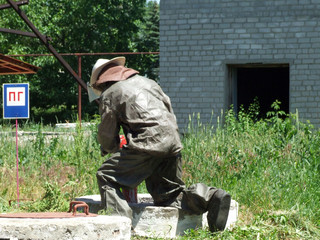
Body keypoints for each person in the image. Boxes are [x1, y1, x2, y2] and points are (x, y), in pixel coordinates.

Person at [90, 57, 231, 232]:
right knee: (169, 195)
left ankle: (120, 227)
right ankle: (210, 196)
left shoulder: (110, 93)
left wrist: (109, 147)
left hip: (146, 144)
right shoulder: (149, 83)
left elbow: (107, 134)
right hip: (172, 142)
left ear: (102, 81)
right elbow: (167, 111)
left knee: (106, 176)